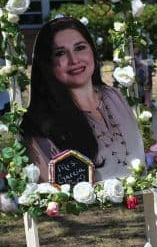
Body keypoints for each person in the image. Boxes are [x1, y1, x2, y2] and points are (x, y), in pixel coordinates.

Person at [22, 17, 145, 180]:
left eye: (80, 48)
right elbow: (52, 194)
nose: (74, 60)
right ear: (48, 64)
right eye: (60, 53)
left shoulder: (113, 96)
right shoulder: (41, 122)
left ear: (92, 51)